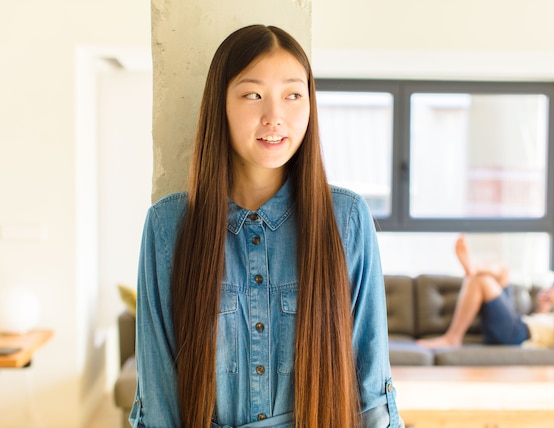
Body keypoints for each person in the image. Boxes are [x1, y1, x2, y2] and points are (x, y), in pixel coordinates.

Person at [130, 25, 402, 428]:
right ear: (220, 104)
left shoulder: (346, 219)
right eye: (252, 95)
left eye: (293, 95)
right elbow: (158, 400)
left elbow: (371, 392)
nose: (275, 116)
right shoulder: (169, 227)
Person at [417, 234, 554, 351]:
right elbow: (548, 330)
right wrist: (545, 308)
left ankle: (453, 337)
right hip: (520, 324)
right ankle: (473, 268)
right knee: (503, 268)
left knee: (483, 282)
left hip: (516, 335)